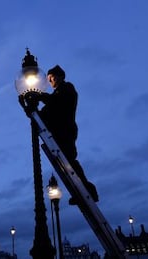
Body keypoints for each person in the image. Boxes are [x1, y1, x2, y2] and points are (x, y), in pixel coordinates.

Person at [38, 65, 99, 205]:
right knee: (67, 163)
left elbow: (56, 103)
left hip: (65, 131)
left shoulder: (67, 89)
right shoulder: (57, 94)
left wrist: (40, 96)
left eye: (52, 78)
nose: (50, 81)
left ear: (60, 76)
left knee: (70, 162)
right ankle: (81, 190)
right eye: (49, 79)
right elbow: (48, 110)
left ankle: (88, 190)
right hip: (59, 133)